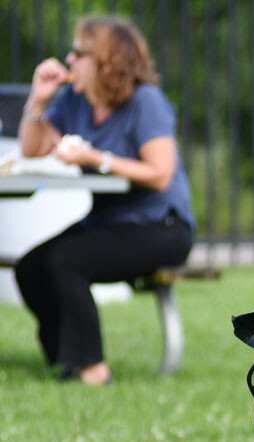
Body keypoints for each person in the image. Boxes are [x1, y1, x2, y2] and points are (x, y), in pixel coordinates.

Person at [16, 15, 195, 385]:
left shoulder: (145, 101)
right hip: (107, 222)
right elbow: (33, 148)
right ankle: (64, 360)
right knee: (30, 267)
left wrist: (96, 158)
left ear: (106, 61)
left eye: (79, 52)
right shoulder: (74, 100)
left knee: (66, 260)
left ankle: (93, 369)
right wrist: (38, 100)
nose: (69, 59)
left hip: (161, 225)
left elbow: (161, 173)